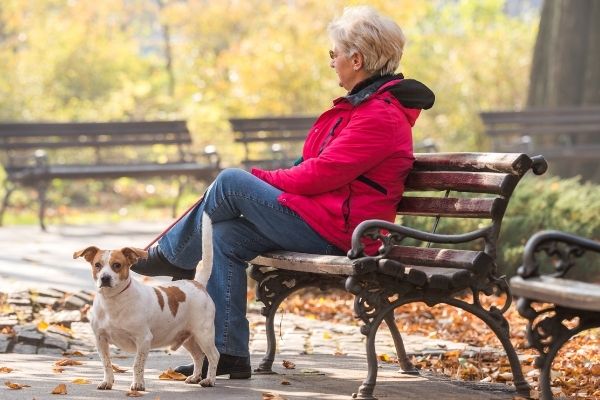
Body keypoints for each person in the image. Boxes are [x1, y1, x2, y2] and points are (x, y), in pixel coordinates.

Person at [132, 5, 434, 379]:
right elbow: (310, 166)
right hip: (322, 220)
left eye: (334, 54)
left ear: (356, 60)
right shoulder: (360, 109)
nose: (332, 62)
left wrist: (259, 177)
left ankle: (171, 255)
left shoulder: (379, 116)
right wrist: (274, 178)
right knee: (224, 235)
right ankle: (227, 352)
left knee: (230, 181)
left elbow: (318, 175)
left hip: (345, 234)